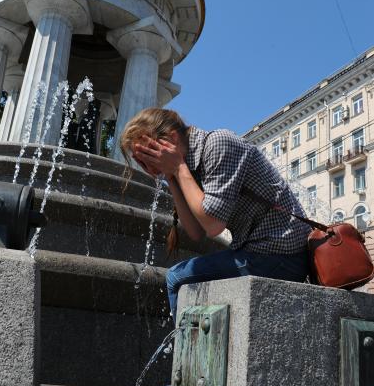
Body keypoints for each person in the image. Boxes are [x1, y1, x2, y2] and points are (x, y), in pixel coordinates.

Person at [120, 108, 311, 323]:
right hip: (261, 251)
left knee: (176, 278)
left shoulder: (218, 144)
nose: (147, 168)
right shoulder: (188, 168)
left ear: (171, 140)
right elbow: (195, 232)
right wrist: (172, 177)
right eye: (140, 162)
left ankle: (184, 354)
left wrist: (179, 168)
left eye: (149, 156)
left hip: (283, 252)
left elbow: (213, 225)